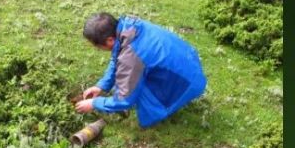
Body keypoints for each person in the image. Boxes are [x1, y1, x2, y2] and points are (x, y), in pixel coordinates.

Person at [75, 12, 207, 127]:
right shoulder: (130, 28)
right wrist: (101, 86)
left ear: (109, 40)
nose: (98, 49)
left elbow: (124, 99)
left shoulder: (131, 56)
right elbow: (118, 56)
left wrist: (94, 103)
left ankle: (164, 108)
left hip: (186, 83)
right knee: (128, 80)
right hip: (190, 68)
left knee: (135, 92)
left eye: (97, 46)